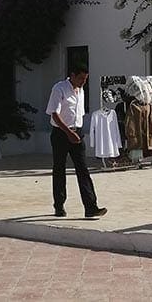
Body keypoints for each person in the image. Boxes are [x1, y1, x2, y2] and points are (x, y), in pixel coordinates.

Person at [45, 64, 107, 219]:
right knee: (59, 168)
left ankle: (91, 206)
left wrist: (76, 132)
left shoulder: (81, 91)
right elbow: (54, 114)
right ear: (72, 75)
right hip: (61, 133)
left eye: (85, 79)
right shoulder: (59, 89)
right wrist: (68, 133)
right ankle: (59, 205)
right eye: (80, 78)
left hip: (77, 133)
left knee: (83, 169)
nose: (82, 82)